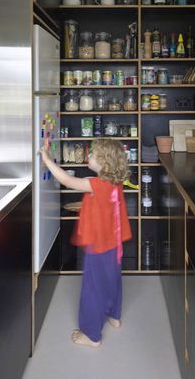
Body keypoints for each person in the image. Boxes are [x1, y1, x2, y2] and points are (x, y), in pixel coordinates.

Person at [40, 138, 132, 348]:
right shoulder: (113, 182)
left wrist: (46, 158)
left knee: (92, 286)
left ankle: (91, 335)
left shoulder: (95, 185)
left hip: (98, 245)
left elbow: (66, 181)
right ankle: (114, 315)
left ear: (104, 163)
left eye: (92, 155)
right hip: (113, 244)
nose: (87, 157)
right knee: (112, 279)